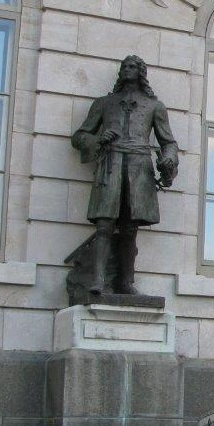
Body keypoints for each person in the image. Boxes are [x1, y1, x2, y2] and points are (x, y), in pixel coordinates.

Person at [71, 55, 179, 296]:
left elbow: (169, 142)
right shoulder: (104, 103)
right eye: (124, 66)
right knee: (104, 224)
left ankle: (126, 282)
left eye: (132, 66)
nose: (126, 70)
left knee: (130, 229)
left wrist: (168, 160)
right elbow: (79, 136)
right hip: (110, 164)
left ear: (141, 73)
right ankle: (98, 280)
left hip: (139, 168)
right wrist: (98, 139)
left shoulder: (154, 106)